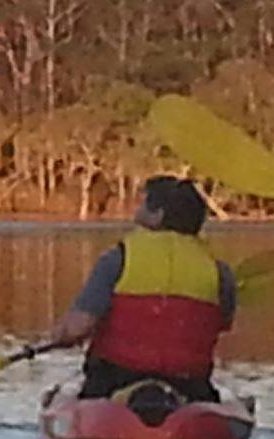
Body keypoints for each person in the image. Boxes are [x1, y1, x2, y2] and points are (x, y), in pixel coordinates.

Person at [39, 175, 239, 410]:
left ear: (158, 215)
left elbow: (77, 328)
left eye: (144, 203)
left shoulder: (117, 260)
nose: (138, 208)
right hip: (190, 387)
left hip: (112, 383)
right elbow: (223, 323)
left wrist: (60, 335)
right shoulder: (219, 272)